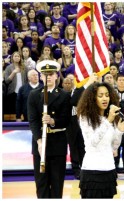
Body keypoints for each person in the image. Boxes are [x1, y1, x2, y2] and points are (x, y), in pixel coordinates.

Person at [76, 82, 124, 198]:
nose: (105, 98)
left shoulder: (111, 118)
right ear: (93, 98)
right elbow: (93, 143)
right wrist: (109, 120)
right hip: (92, 171)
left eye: (107, 95)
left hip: (109, 169)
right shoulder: (85, 117)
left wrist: (119, 131)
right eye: (100, 95)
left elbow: (113, 147)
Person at [27, 60, 71, 198]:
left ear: (57, 76)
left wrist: (53, 121)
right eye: (45, 74)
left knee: (57, 183)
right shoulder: (34, 95)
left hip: (57, 143)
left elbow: (67, 120)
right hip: (40, 144)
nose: (48, 77)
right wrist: (39, 141)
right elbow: (33, 120)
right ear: (41, 76)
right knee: (41, 183)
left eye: (51, 74)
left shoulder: (64, 95)